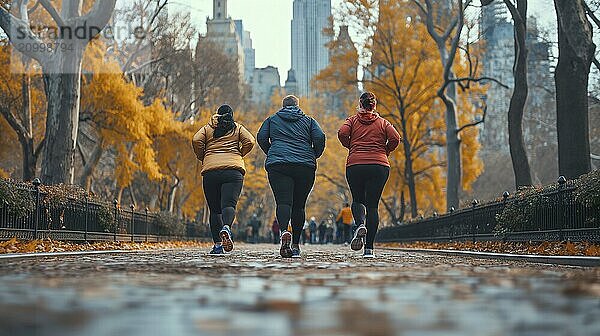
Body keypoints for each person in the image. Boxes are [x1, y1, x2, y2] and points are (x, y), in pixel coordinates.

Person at [257, 95, 326, 258]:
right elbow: (320, 137)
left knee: (283, 202)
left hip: (278, 166)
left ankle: (283, 232)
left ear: (283, 106)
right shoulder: (309, 121)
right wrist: (313, 154)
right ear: (297, 106)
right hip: (304, 166)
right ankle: (295, 244)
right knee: (299, 206)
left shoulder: (272, 119)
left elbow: (261, 137)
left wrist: (273, 152)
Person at [337, 92, 400, 258]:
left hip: (356, 164)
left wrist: (351, 146)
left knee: (358, 200)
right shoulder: (383, 123)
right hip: (379, 165)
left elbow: (342, 133)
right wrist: (385, 151)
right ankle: (369, 249)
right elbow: (395, 138)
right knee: (372, 206)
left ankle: (360, 224)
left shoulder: (351, 120)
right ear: (374, 105)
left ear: (360, 104)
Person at [192, 104, 255, 255]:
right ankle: (226, 227)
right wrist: (239, 154)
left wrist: (204, 156)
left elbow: (196, 140)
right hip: (233, 171)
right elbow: (251, 141)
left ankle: (218, 245)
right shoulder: (237, 128)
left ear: (217, 115)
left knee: (214, 210)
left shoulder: (208, 128)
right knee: (229, 205)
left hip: (211, 172)